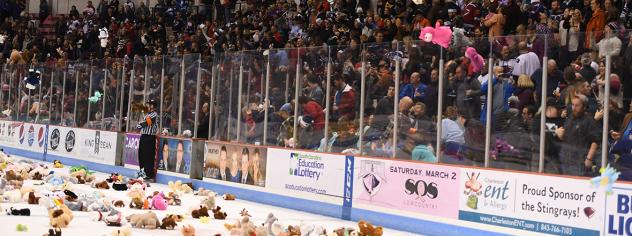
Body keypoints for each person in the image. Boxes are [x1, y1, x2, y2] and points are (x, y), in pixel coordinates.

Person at [555, 95, 600, 176]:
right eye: (572, 105)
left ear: (584, 106)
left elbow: (595, 141)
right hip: (565, 158)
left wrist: (589, 158)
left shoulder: (589, 120)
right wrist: (560, 134)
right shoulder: (570, 118)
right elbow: (566, 137)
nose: (574, 108)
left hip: (579, 161)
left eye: (577, 105)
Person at [136, 99, 158, 182]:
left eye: (149, 104)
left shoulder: (154, 115)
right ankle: (142, 173)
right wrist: (140, 124)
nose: (147, 106)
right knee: (141, 155)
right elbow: (144, 122)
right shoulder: (147, 114)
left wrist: (139, 125)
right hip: (144, 136)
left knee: (148, 156)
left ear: (152, 106)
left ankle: (148, 174)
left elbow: (147, 123)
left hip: (149, 138)